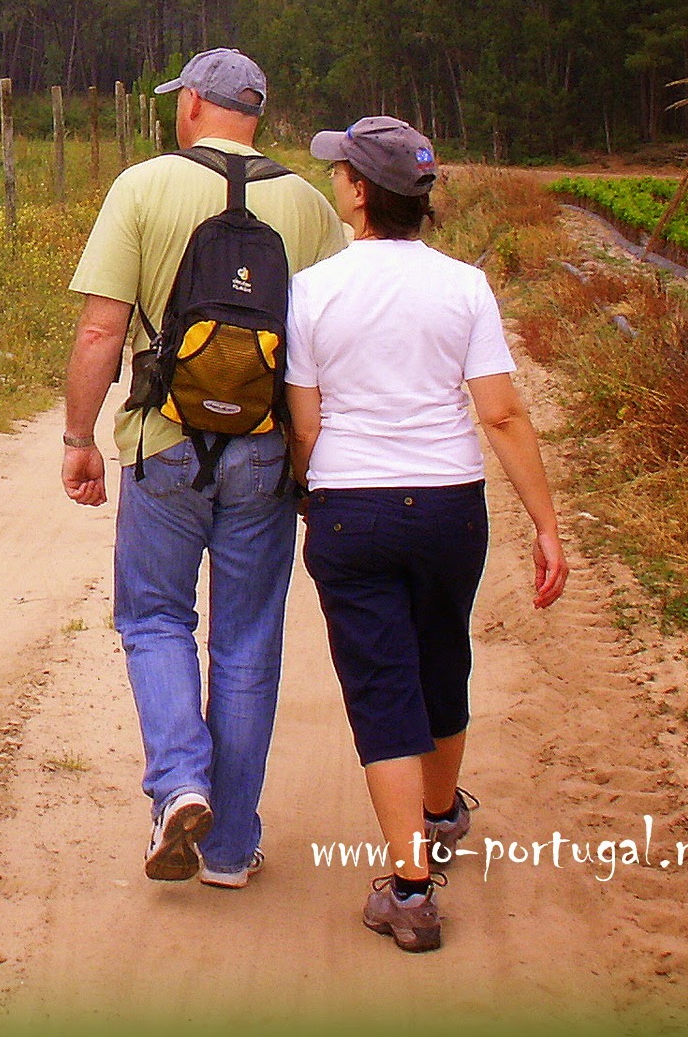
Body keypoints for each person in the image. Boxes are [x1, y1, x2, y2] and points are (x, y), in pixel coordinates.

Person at [63, 48, 348, 888]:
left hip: (163, 441)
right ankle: (228, 851)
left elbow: (98, 333)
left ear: (191, 105)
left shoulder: (143, 188)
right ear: (255, 113)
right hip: (263, 449)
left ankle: (180, 782)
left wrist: (80, 437)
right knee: (248, 641)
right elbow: (325, 353)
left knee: (154, 619)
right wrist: (315, 465)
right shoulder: (306, 206)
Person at [285, 115, 569, 951]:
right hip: (450, 505)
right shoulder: (465, 286)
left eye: (341, 172)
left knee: (381, 683)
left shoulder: (314, 288)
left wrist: (312, 497)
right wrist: (548, 527)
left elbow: (305, 424)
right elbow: (504, 414)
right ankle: (442, 814)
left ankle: (410, 891)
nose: (334, 180)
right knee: (443, 653)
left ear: (362, 192)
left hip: (354, 505)